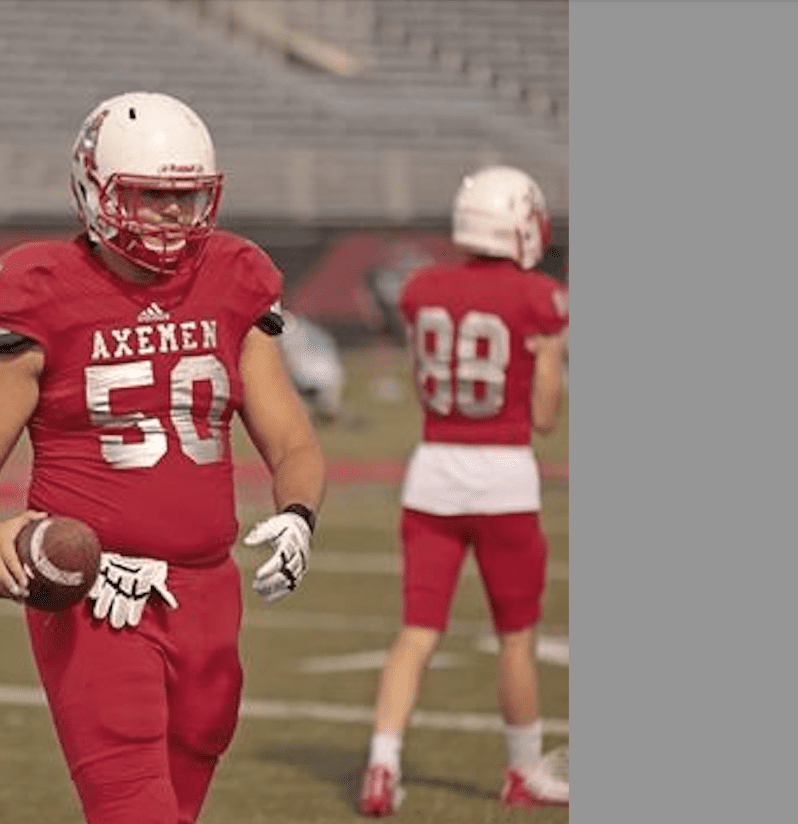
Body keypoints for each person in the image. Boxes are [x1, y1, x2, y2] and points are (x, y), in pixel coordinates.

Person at [0, 91, 326, 824]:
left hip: (210, 589)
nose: (176, 216)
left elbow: (294, 441)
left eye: (188, 197)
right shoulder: (43, 288)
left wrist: (299, 513)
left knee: (186, 787)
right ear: (96, 188)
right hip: (98, 589)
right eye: (154, 196)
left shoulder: (235, 275)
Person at [356, 165, 570, 816]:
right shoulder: (540, 296)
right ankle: (523, 771)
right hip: (503, 475)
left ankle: (382, 765)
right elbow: (543, 417)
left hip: (433, 474)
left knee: (417, 631)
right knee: (514, 637)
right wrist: (551, 355)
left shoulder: (423, 289)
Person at [277, 310, 347, 424]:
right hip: (334, 378)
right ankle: (328, 410)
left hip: (307, 380)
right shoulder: (308, 327)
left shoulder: (283, 333)